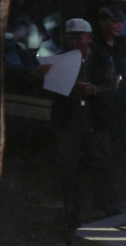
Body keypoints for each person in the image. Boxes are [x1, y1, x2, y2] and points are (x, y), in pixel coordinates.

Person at [38, 18, 119, 229]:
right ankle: (71, 212)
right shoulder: (59, 59)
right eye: (70, 39)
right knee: (68, 167)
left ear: (89, 38)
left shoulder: (103, 58)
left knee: (102, 162)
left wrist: (94, 90)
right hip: (68, 119)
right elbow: (47, 87)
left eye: (78, 38)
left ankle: (107, 208)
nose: (74, 43)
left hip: (95, 118)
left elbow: (112, 87)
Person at [92, 5, 126, 193]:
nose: (119, 26)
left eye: (121, 22)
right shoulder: (93, 46)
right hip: (102, 106)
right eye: (115, 21)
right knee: (105, 153)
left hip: (124, 104)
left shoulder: (122, 43)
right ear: (103, 23)